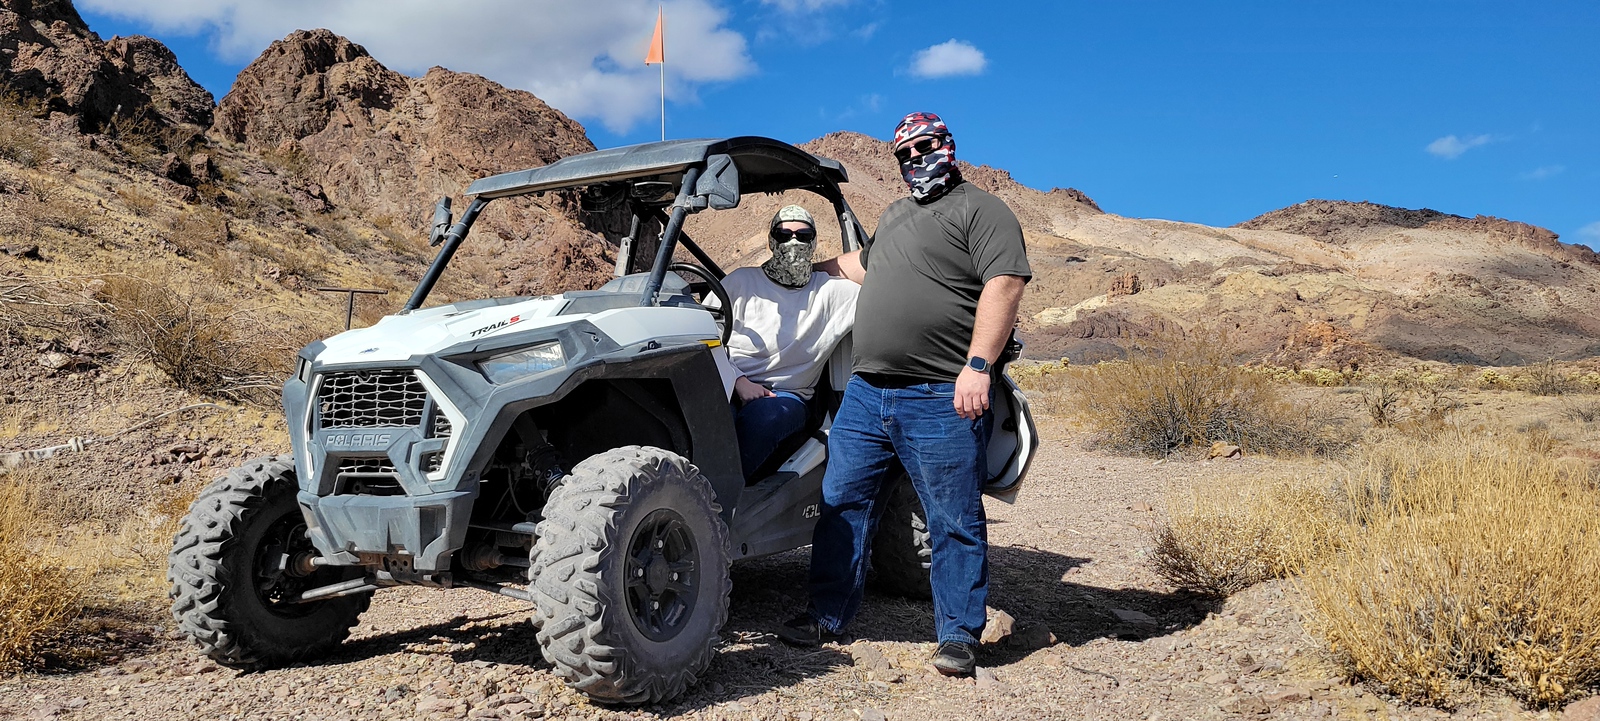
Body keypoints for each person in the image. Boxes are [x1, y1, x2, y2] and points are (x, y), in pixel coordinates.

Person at [779, 112, 1031, 677]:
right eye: (906, 153)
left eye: (926, 146)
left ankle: (959, 635)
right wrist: (803, 270)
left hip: (941, 393)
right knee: (842, 504)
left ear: (948, 145)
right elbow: (863, 265)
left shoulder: (982, 210)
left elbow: (1005, 284)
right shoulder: (895, 215)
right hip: (868, 394)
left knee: (952, 515)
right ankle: (827, 616)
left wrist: (978, 366)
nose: (917, 158)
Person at [718, 204, 860, 479]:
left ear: (814, 242)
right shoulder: (740, 283)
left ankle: (721, 496)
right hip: (727, 381)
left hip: (785, 394)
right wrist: (738, 381)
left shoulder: (831, 292)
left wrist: (821, 267)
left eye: (803, 236)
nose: (793, 242)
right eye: (783, 235)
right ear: (771, 241)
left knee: (764, 420)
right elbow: (705, 338)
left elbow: (879, 272)